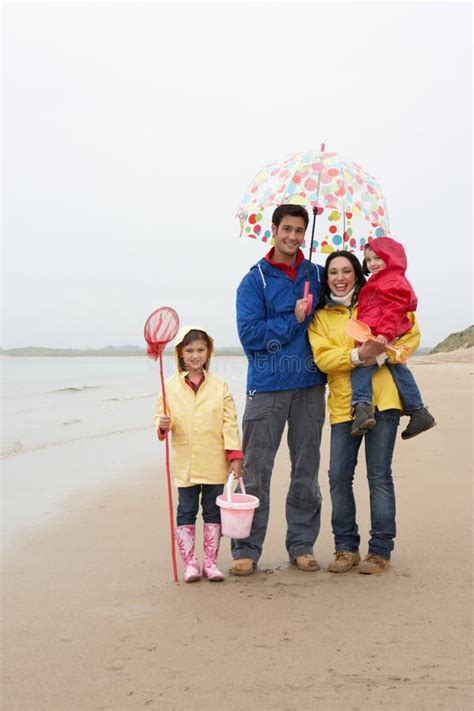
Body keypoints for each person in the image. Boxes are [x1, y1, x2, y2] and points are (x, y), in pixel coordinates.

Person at [308, 250, 420, 575]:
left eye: (346, 270)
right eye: (333, 272)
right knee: (338, 477)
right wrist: (357, 356)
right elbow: (323, 358)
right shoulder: (321, 317)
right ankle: (345, 548)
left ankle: (380, 551)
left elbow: (411, 334)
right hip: (344, 406)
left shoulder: (378, 296)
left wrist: (379, 357)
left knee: (379, 476)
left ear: (357, 274)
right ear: (326, 278)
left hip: (383, 401)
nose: (340, 277)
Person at [231, 204, 326, 576]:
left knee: (306, 468)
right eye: (286, 229)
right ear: (273, 230)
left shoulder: (316, 275)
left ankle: (301, 545)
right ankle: (246, 549)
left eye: (299, 230)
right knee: (256, 473)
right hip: (267, 387)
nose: (293, 237)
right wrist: (293, 318)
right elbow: (251, 337)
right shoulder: (254, 280)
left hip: (309, 387)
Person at [155, 326, 243, 583]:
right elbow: (161, 418)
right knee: (186, 510)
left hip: (214, 460)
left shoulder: (219, 386)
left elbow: (230, 422)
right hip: (186, 461)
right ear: (180, 353)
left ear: (208, 353)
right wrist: (162, 424)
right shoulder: (169, 386)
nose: (195, 355)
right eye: (189, 350)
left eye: (200, 350)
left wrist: (234, 456)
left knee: (213, 511)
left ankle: (212, 563)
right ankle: (190, 563)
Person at [349, 237, 436, 439]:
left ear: (391, 257)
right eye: (368, 259)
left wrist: (385, 334)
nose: (372, 263)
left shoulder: (392, 281)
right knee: (399, 369)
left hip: (384, 335)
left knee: (362, 369)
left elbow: (393, 309)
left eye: (378, 258)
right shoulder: (382, 280)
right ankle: (418, 410)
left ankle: (362, 408)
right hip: (379, 334)